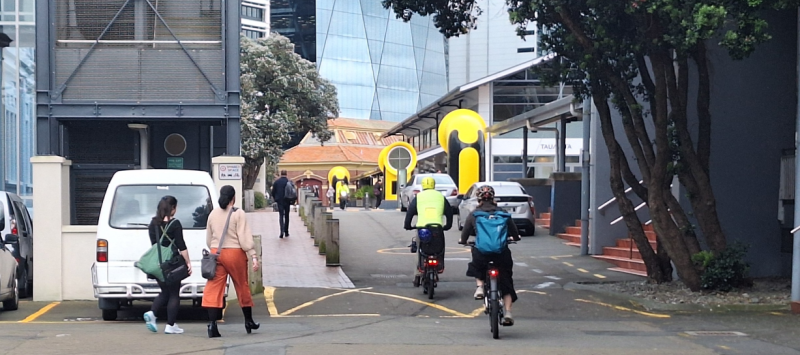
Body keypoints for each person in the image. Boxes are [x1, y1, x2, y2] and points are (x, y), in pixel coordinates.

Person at [458, 185, 521, 326]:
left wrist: (463, 241)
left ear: (478, 199)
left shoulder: (475, 214)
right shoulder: (503, 213)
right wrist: (515, 238)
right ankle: (508, 312)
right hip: (501, 252)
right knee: (506, 281)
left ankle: (480, 287)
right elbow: (514, 233)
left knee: (477, 264)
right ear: (493, 198)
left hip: (482, 252)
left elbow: (465, 233)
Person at [202, 185, 260, 338]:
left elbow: (209, 239)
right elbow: (244, 239)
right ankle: (248, 321)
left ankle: (212, 325)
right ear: (233, 197)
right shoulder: (238, 213)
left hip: (216, 252)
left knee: (214, 288)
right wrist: (253, 255)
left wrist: (215, 249)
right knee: (242, 285)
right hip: (234, 253)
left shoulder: (213, 214)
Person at [143, 196, 191, 334]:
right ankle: (170, 325)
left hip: (158, 264)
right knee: (174, 293)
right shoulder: (175, 224)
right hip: (172, 264)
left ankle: (152, 313)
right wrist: (188, 262)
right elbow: (181, 245)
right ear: (173, 208)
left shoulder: (153, 224)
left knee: (165, 291)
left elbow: (154, 244)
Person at [403, 176, 453, 287]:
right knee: (440, 248)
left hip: (422, 228)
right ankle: (439, 266)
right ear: (434, 185)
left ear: (423, 186)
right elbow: (449, 213)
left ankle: (417, 274)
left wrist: (407, 225)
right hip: (437, 227)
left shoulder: (418, 197)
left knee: (419, 249)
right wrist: (447, 225)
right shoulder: (440, 197)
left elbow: (410, 213)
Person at [270, 170, 292, 238]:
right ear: (286, 174)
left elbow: (273, 192)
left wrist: (275, 198)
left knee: (281, 215)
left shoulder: (277, 182)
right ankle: (286, 231)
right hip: (287, 200)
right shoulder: (289, 182)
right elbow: (292, 191)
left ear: (280, 174)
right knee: (287, 216)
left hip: (280, 201)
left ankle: (281, 231)